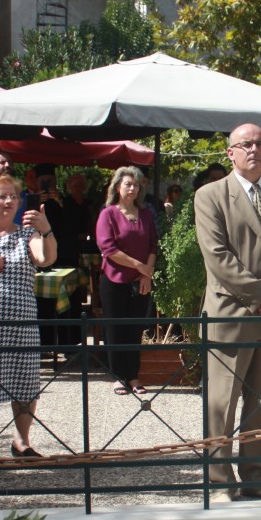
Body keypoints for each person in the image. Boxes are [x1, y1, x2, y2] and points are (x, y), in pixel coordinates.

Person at [193, 124, 261, 500]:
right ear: (230, 153)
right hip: (231, 313)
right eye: (246, 144)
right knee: (222, 403)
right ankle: (220, 483)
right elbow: (217, 256)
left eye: (260, 143)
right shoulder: (210, 196)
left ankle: (256, 479)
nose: (254, 149)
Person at [0, 175, 57, 457]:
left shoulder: (26, 234)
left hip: (21, 321)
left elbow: (46, 259)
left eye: (14, 197)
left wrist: (46, 231)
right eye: (2, 196)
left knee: (25, 383)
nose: (9, 201)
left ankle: (21, 440)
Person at [96, 166, 159, 396]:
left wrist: (146, 273)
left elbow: (153, 244)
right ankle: (117, 376)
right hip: (114, 280)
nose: (132, 188)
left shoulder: (144, 214)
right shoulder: (108, 213)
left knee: (135, 329)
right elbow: (108, 248)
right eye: (127, 184)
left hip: (140, 281)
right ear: (117, 187)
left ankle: (133, 376)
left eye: (136, 185)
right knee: (115, 329)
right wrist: (139, 265)